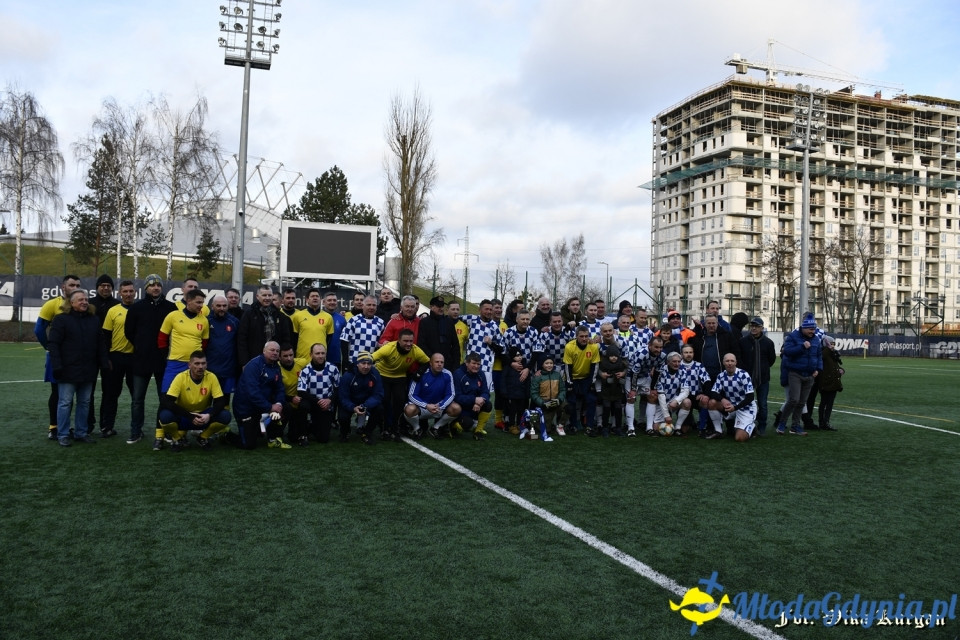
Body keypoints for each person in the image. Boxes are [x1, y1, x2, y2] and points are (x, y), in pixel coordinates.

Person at [48, 290, 109, 446]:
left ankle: (81, 432)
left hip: (88, 370)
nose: (84, 302)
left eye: (86, 299)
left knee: (84, 402)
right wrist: (57, 365)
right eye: (80, 300)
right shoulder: (61, 320)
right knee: (65, 402)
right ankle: (62, 434)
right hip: (67, 370)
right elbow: (53, 345)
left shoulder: (94, 320)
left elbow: (100, 344)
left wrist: (104, 362)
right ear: (72, 303)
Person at [124, 273, 177, 444]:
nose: (155, 288)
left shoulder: (171, 307)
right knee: (137, 399)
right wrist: (141, 346)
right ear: (146, 287)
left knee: (165, 399)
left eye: (158, 285)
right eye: (152, 285)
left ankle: (163, 431)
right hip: (141, 360)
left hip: (163, 361)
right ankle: (136, 431)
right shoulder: (136, 307)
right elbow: (129, 332)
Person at [35, 274, 82, 439]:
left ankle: (70, 427)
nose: (75, 288)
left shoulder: (81, 305)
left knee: (76, 393)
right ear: (63, 287)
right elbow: (39, 329)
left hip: (77, 357)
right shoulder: (52, 304)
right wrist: (48, 347)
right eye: (71, 285)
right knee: (57, 392)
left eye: (77, 285)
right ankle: (54, 427)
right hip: (58, 357)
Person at [156, 350, 231, 452]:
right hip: (185, 416)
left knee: (225, 416)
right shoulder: (180, 377)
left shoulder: (211, 377)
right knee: (165, 416)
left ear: (206, 364)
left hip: (203, 416)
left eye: (203, 363)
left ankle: (203, 438)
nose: (200, 367)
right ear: (189, 365)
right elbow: (167, 401)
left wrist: (210, 415)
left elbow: (220, 401)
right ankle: (177, 439)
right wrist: (189, 416)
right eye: (197, 363)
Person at [372, 329, 430, 441]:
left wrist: (419, 372)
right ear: (398, 340)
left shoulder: (415, 350)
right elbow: (371, 358)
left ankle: (395, 429)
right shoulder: (389, 348)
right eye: (405, 341)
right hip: (383, 375)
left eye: (411, 341)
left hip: (400, 377)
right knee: (385, 401)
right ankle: (384, 429)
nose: (408, 344)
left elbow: (427, 362)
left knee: (399, 403)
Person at [233, 341, 288, 449]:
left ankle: (272, 438)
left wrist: (278, 404)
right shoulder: (254, 366)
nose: (275, 353)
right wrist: (270, 407)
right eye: (272, 350)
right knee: (248, 445)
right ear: (264, 351)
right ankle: (227, 436)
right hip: (246, 409)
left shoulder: (276, 367)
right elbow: (252, 393)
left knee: (286, 408)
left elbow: (280, 388)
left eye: (277, 351)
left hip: (263, 408)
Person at [99, 280, 136, 439]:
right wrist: (106, 358)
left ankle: (136, 428)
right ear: (120, 293)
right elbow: (105, 337)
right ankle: (107, 426)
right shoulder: (113, 311)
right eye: (125, 291)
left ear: (135, 293)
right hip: (116, 357)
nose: (128, 294)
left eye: (131, 291)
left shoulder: (139, 309)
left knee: (137, 395)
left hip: (135, 359)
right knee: (111, 394)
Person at [776, 312, 822, 436]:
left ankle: (795, 426)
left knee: (802, 402)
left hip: (810, 375)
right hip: (795, 373)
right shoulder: (793, 336)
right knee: (793, 400)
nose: (813, 331)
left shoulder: (816, 339)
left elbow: (818, 356)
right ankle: (782, 423)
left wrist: (818, 369)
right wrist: (802, 347)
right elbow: (787, 352)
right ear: (804, 328)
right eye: (810, 329)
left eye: (814, 329)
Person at [158, 288, 210, 391]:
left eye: (202, 303)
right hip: (175, 363)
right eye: (198, 302)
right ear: (189, 301)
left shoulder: (204, 320)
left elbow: (204, 343)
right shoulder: (173, 316)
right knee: (167, 393)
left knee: (191, 395)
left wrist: (196, 359)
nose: (201, 305)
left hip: (194, 365)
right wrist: (167, 357)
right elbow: (161, 339)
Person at [403, 353, 460, 438]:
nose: (439, 364)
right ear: (430, 363)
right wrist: (426, 405)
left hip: (438, 407)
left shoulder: (448, 374)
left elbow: (451, 394)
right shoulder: (421, 374)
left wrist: (440, 405)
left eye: (442, 362)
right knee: (409, 409)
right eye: (437, 362)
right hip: (422, 407)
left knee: (456, 408)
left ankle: (435, 428)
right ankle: (417, 428)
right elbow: (411, 395)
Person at [296, 343, 342, 444]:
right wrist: (319, 401)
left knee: (323, 439)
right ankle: (302, 435)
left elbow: (339, 388)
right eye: (317, 353)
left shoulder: (333, 368)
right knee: (303, 405)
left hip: (327, 404)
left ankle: (312, 425)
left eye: (323, 353)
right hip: (313, 403)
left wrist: (329, 400)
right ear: (311, 355)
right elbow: (301, 391)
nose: (320, 356)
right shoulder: (305, 370)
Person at [739, 317, 777, 436]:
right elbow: (740, 359)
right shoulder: (743, 341)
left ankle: (762, 426)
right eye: (752, 326)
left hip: (763, 378)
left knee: (763, 403)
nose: (754, 328)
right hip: (746, 378)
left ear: (761, 328)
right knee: (745, 402)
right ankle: (745, 424)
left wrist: (762, 369)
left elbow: (771, 360)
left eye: (757, 326)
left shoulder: (768, 343)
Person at [238, 285, 292, 366]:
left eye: (269, 295)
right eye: (264, 295)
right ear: (257, 296)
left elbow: (286, 339)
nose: (267, 298)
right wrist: (244, 362)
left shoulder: (280, 316)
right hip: (253, 361)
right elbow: (242, 340)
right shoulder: (249, 314)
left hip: (275, 362)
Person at [708, 353, 757, 442]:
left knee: (739, 438)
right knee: (712, 403)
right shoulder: (721, 376)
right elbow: (713, 392)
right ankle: (718, 431)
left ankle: (752, 427)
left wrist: (735, 408)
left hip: (746, 408)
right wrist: (722, 399)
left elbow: (750, 397)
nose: (729, 363)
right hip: (731, 406)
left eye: (732, 361)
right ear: (723, 362)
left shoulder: (743, 375)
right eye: (727, 361)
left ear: (736, 362)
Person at [339, 351, 384, 445]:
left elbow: (378, 394)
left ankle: (367, 432)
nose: (366, 366)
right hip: (351, 402)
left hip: (366, 402)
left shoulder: (375, 374)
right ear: (357, 364)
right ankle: (346, 431)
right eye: (363, 363)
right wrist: (353, 407)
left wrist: (365, 405)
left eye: (369, 363)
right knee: (342, 416)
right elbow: (343, 397)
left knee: (380, 408)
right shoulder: (348, 376)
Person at [563, 325, 600, 435]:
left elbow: (595, 365)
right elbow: (567, 366)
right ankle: (573, 425)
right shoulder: (569, 347)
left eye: (586, 336)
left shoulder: (593, 347)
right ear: (576, 336)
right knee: (572, 401)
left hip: (586, 378)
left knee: (591, 400)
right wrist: (569, 383)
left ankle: (589, 426)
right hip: (573, 378)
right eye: (581, 336)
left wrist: (592, 382)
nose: (584, 339)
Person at [205, 294, 240, 406]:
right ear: (212, 306)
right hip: (209, 370)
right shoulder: (206, 321)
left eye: (224, 305)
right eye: (218, 305)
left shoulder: (234, 322)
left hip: (227, 370)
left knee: (223, 403)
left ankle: (221, 423)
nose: (222, 308)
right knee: (205, 401)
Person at [451, 352, 492, 440]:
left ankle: (478, 431)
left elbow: (486, 392)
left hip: (475, 406)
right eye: (473, 363)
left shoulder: (481, 374)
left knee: (488, 404)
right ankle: (452, 425)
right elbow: (456, 397)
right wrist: (474, 400)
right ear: (467, 363)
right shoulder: (458, 374)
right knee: (467, 424)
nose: (476, 366)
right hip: (462, 408)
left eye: (478, 364)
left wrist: (479, 402)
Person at [632, 336, 666, 436]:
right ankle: (630, 427)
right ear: (649, 346)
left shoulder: (663, 355)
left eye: (660, 347)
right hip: (631, 376)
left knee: (652, 396)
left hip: (645, 376)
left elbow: (658, 372)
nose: (658, 350)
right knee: (630, 398)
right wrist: (633, 388)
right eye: (656, 347)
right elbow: (634, 373)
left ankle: (648, 427)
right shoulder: (641, 354)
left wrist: (653, 388)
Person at [417, 296, 461, 372]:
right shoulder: (425, 322)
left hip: (447, 364)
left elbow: (455, 345)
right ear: (431, 307)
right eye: (438, 306)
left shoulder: (449, 322)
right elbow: (421, 343)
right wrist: (433, 358)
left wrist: (456, 365)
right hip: (429, 363)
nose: (441, 308)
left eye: (442, 306)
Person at [653, 351, 692, 437]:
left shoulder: (682, 371)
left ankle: (677, 428)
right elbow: (661, 394)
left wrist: (676, 401)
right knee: (656, 429)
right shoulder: (661, 371)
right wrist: (666, 415)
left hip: (672, 400)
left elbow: (686, 391)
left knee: (687, 402)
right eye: (674, 361)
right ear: (668, 362)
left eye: (678, 361)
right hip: (661, 402)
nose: (677, 364)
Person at [340, 295, 386, 366]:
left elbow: (382, 344)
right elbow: (344, 341)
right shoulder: (353, 320)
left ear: (376, 307)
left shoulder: (381, 323)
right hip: (354, 362)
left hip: (372, 363)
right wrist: (345, 362)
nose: (371, 307)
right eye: (368, 305)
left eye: (374, 305)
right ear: (363, 306)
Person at [291, 288, 334, 362]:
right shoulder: (298, 316)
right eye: (312, 296)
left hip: (320, 358)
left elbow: (328, 338)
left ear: (321, 299)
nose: (315, 298)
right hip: (302, 358)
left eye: (317, 296)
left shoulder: (328, 317)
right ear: (307, 300)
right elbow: (294, 338)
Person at [278, 343, 309, 445]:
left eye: (291, 355)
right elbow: (274, 392)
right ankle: (275, 431)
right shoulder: (276, 369)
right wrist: (290, 398)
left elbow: (317, 363)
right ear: (279, 357)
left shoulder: (302, 363)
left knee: (293, 438)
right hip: (283, 403)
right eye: (285, 356)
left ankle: (306, 429)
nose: (289, 358)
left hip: (299, 402)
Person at [597, 343, 628, 437]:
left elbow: (626, 369)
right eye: (611, 356)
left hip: (617, 390)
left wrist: (623, 374)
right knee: (606, 409)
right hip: (606, 391)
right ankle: (605, 427)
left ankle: (618, 428)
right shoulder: (603, 364)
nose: (613, 358)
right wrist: (603, 375)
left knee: (618, 409)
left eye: (615, 356)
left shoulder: (621, 364)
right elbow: (598, 371)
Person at [530, 356, 566, 435]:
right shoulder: (538, 377)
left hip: (555, 402)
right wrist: (542, 403)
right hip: (544, 404)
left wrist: (559, 399)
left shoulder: (557, 375)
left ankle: (560, 426)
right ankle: (548, 425)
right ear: (542, 365)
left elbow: (562, 390)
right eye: (546, 363)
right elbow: (534, 393)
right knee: (547, 430)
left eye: (551, 363)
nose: (549, 365)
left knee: (568, 407)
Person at [500, 347, 531, 435]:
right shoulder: (507, 367)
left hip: (522, 395)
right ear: (512, 357)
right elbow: (503, 380)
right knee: (512, 411)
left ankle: (519, 424)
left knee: (521, 410)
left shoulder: (525, 367)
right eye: (517, 355)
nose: (520, 357)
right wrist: (504, 392)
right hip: (511, 395)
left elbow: (528, 381)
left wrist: (527, 393)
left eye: (520, 355)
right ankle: (511, 425)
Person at [817, 336, 843, 431]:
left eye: (833, 344)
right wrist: (828, 348)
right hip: (826, 382)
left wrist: (841, 370)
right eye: (831, 344)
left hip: (833, 382)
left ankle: (826, 421)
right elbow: (823, 356)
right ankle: (822, 422)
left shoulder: (832, 354)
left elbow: (836, 366)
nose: (833, 346)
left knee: (830, 404)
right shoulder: (824, 352)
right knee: (824, 403)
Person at [322, 291, 348, 370]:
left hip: (336, 358)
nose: (332, 302)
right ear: (323, 302)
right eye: (329, 300)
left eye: (334, 300)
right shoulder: (318, 316)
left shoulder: (341, 319)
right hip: (320, 357)